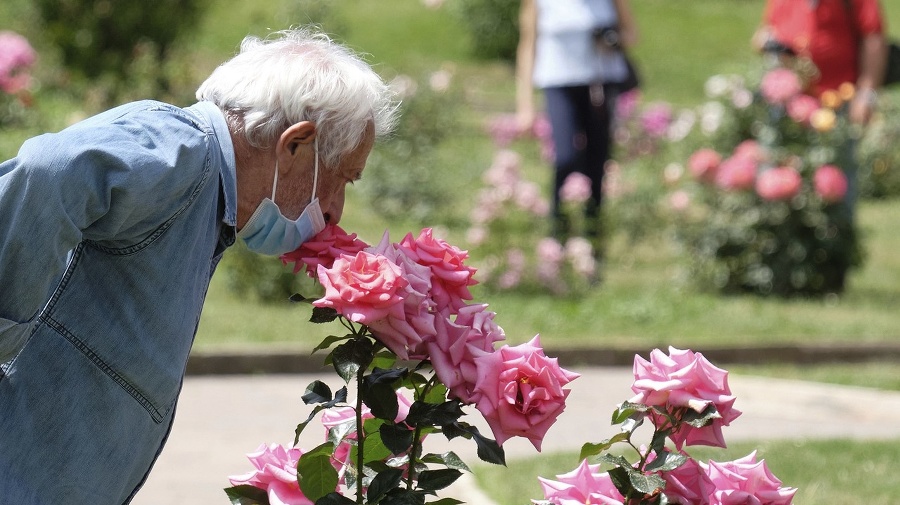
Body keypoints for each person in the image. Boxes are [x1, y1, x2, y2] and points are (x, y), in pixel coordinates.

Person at [0, 27, 397, 504]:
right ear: (295, 145)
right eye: (343, 178)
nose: (335, 210)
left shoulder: (207, 188)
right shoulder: (181, 153)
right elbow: (49, 166)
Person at [515, 0, 638, 243]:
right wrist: (525, 105)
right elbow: (528, 45)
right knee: (565, 157)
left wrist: (611, 39)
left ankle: (594, 236)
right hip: (558, 81)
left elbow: (632, 34)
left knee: (597, 162)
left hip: (599, 83)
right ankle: (557, 232)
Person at [753, 0, 888, 218]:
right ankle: (774, 233)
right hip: (787, 102)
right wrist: (767, 42)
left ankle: (838, 240)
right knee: (776, 167)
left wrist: (867, 94)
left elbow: (873, 38)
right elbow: (769, 27)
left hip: (836, 99)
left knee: (834, 178)